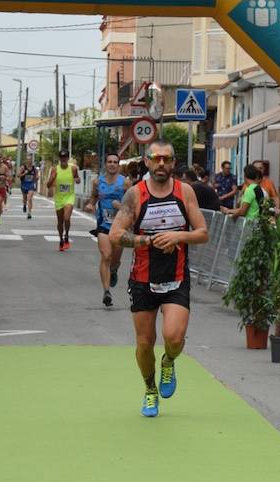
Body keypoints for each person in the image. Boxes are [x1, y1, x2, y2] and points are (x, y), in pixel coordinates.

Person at [107, 141, 209, 418]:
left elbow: (202, 232)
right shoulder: (135, 194)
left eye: (166, 159)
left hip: (176, 277)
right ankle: (150, 389)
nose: (161, 164)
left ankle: (169, 361)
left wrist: (179, 236)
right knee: (144, 342)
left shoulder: (184, 192)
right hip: (142, 278)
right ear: (147, 162)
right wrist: (149, 241)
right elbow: (116, 234)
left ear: (173, 162)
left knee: (173, 337)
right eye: (156, 158)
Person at [87, 153, 127, 307]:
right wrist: (91, 204)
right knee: (106, 255)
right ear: (105, 164)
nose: (112, 164)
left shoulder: (126, 183)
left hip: (120, 226)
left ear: (118, 165)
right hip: (103, 225)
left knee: (115, 260)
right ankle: (106, 291)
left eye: (115, 162)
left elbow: (133, 206)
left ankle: (115, 270)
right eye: (109, 161)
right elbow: (93, 197)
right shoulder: (98, 181)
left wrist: (120, 206)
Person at [47, 149, 79, 251]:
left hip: (69, 196)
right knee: (60, 221)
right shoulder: (55, 169)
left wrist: (77, 180)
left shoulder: (73, 168)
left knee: (66, 218)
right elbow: (48, 185)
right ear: (59, 158)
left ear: (68, 158)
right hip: (59, 198)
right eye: (61, 157)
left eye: (65, 157)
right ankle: (61, 239)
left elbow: (77, 179)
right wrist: (52, 178)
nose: (63, 159)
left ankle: (67, 236)